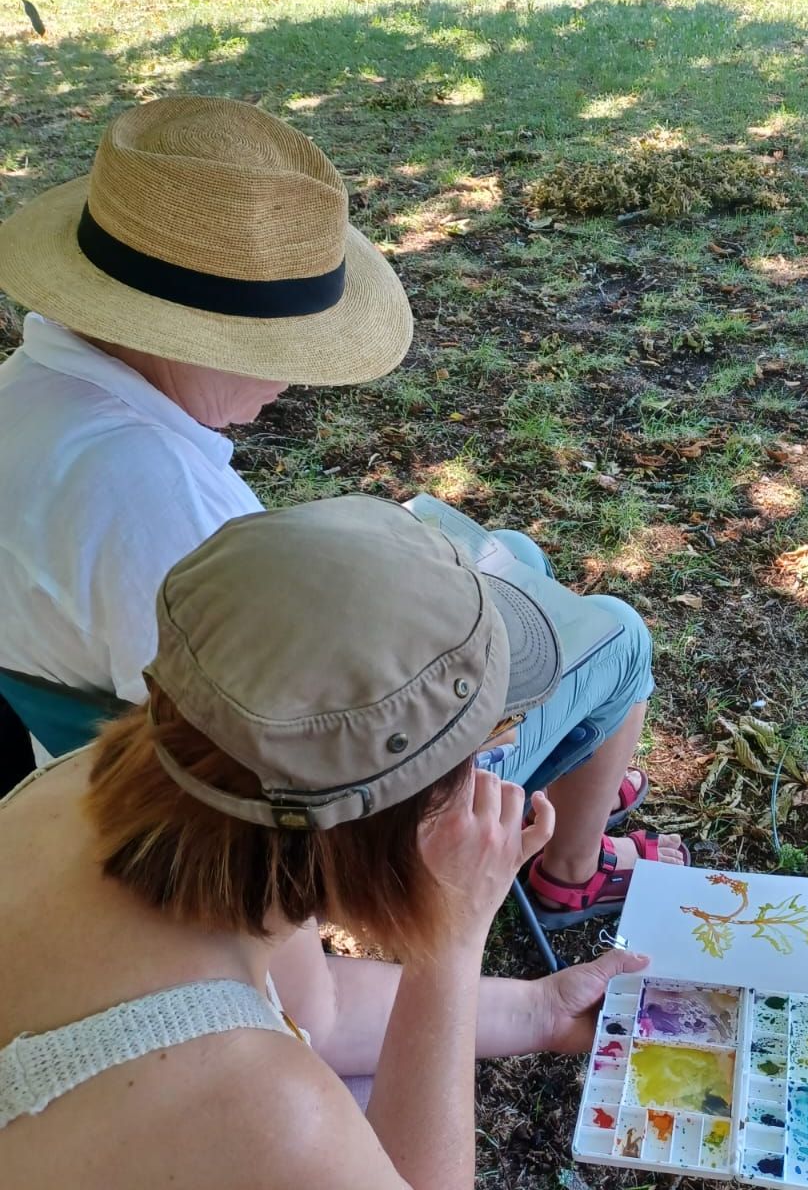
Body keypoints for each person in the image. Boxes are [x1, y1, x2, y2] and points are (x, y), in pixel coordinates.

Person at [0, 96, 686, 924]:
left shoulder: (30, 401)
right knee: (617, 635)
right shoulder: (161, 502)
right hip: (300, 837)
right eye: (278, 348)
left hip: (70, 757)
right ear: (184, 334)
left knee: (509, 555)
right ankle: (572, 869)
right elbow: (284, 770)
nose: (296, 374)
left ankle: (583, 774)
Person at [0, 495, 655, 1188]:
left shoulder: (80, 792)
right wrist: (452, 936)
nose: (510, 746)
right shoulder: (262, 1104)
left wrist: (541, 1010)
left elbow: (321, 1011)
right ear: (390, 824)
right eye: (487, 740)